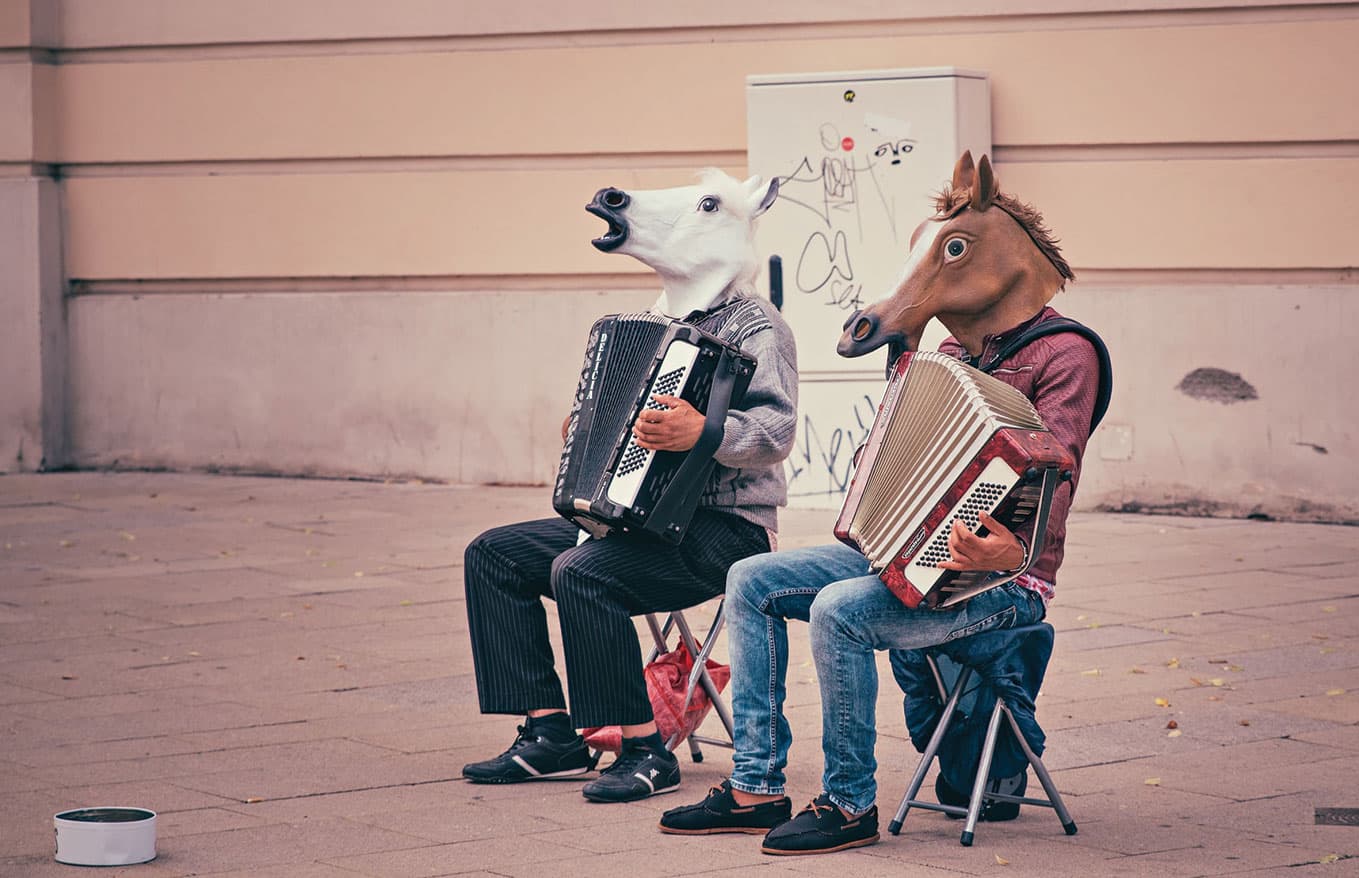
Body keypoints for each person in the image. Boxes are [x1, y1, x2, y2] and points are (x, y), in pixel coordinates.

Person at [659, 153, 1104, 853]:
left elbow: (1057, 469)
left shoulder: (1067, 353)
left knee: (839, 611)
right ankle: (756, 785)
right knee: (750, 580)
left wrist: (1009, 548)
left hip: (1005, 582)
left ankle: (848, 803)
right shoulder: (948, 357)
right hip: (906, 556)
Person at [461, 173, 796, 803]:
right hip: (639, 520)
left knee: (582, 572)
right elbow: (611, 411)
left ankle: (645, 750)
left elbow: (776, 433)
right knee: (493, 555)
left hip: (726, 531)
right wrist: (586, 428)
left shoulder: (759, 326)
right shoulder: (652, 321)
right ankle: (549, 731)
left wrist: (705, 432)